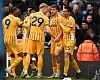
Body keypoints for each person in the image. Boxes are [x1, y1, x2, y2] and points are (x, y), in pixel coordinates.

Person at [22, 3, 56, 78]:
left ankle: (25, 71)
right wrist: (55, 37)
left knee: (28, 54)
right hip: (40, 38)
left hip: (31, 37)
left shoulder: (31, 15)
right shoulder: (45, 18)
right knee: (40, 55)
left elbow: (27, 27)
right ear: (43, 8)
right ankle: (39, 73)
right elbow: (48, 30)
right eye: (47, 9)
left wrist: (27, 37)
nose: (47, 11)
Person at [2, 6, 30, 78]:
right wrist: (29, 20)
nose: (18, 12)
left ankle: (13, 73)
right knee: (21, 55)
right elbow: (26, 26)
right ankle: (9, 68)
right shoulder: (15, 19)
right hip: (12, 39)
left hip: (5, 39)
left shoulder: (4, 19)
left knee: (12, 56)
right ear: (14, 11)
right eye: (17, 10)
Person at [59, 5, 81, 79]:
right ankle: (78, 72)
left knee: (66, 55)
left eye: (65, 11)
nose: (63, 12)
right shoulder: (62, 18)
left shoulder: (71, 20)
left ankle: (65, 73)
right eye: (63, 11)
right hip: (65, 40)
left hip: (71, 40)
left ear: (69, 12)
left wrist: (61, 24)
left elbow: (67, 30)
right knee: (70, 57)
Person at [21, 7, 37, 78]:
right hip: (26, 38)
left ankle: (32, 69)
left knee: (30, 55)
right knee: (26, 54)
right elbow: (27, 29)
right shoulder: (28, 18)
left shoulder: (32, 19)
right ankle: (27, 70)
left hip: (32, 38)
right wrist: (27, 38)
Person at [48, 4, 63, 79]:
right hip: (53, 40)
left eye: (53, 9)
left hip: (59, 39)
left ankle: (58, 70)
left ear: (57, 10)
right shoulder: (50, 18)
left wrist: (58, 37)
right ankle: (54, 72)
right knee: (53, 56)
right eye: (51, 9)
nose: (52, 11)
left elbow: (62, 30)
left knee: (56, 54)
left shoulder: (60, 18)